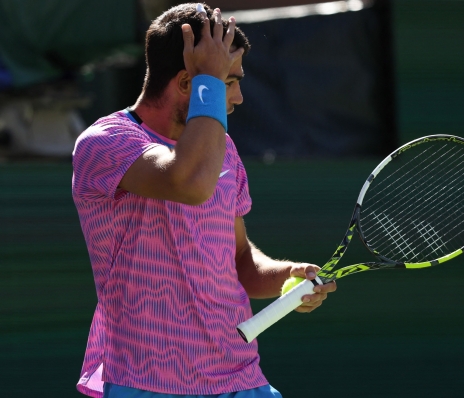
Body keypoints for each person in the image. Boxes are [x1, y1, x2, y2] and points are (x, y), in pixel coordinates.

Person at [72, 3, 337, 398]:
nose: (240, 97)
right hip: (146, 383)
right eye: (229, 81)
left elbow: (241, 263)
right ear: (187, 84)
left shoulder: (223, 149)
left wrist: (286, 275)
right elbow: (189, 183)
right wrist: (209, 80)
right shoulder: (104, 143)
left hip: (242, 378)